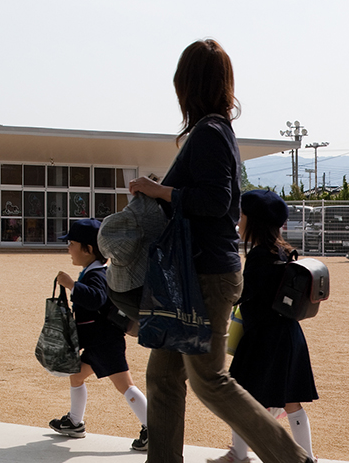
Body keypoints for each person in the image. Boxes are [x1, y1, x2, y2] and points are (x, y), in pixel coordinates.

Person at [127, 40, 310, 463]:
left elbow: (216, 200)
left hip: (204, 273)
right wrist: (165, 191)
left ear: (188, 83)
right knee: (164, 377)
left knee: (209, 378)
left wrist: (159, 190)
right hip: (198, 272)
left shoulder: (208, 132)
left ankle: (294, 460)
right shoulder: (216, 131)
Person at [210, 190, 318, 463]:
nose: (239, 221)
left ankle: (238, 455)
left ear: (254, 221)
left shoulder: (259, 257)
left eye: (242, 215)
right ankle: (308, 457)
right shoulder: (283, 251)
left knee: (241, 396)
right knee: (292, 400)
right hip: (289, 335)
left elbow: (247, 298)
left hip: (262, 339)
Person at [46, 219, 149, 451]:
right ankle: (74, 422)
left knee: (125, 385)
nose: (68, 248)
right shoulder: (92, 271)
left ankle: (153, 428)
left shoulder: (97, 275)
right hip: (97, 343)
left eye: (72, 243)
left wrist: (72, 285)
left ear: (88, 249)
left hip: (105, 343)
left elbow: (96, 299)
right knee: (77, 377)